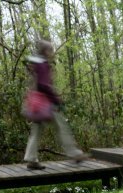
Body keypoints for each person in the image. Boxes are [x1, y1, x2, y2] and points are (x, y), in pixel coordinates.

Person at [23, 39, 87, 169]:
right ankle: (74, 154)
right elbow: (43, 85)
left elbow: (36, 84)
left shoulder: (36, 62)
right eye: (51, 50)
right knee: (62, 127)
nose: (52, 53)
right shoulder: (43, 65)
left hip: (36, 103)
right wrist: (57, 100)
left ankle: (31, 159)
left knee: (36, 131)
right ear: (46, 51)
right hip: (46, 103)